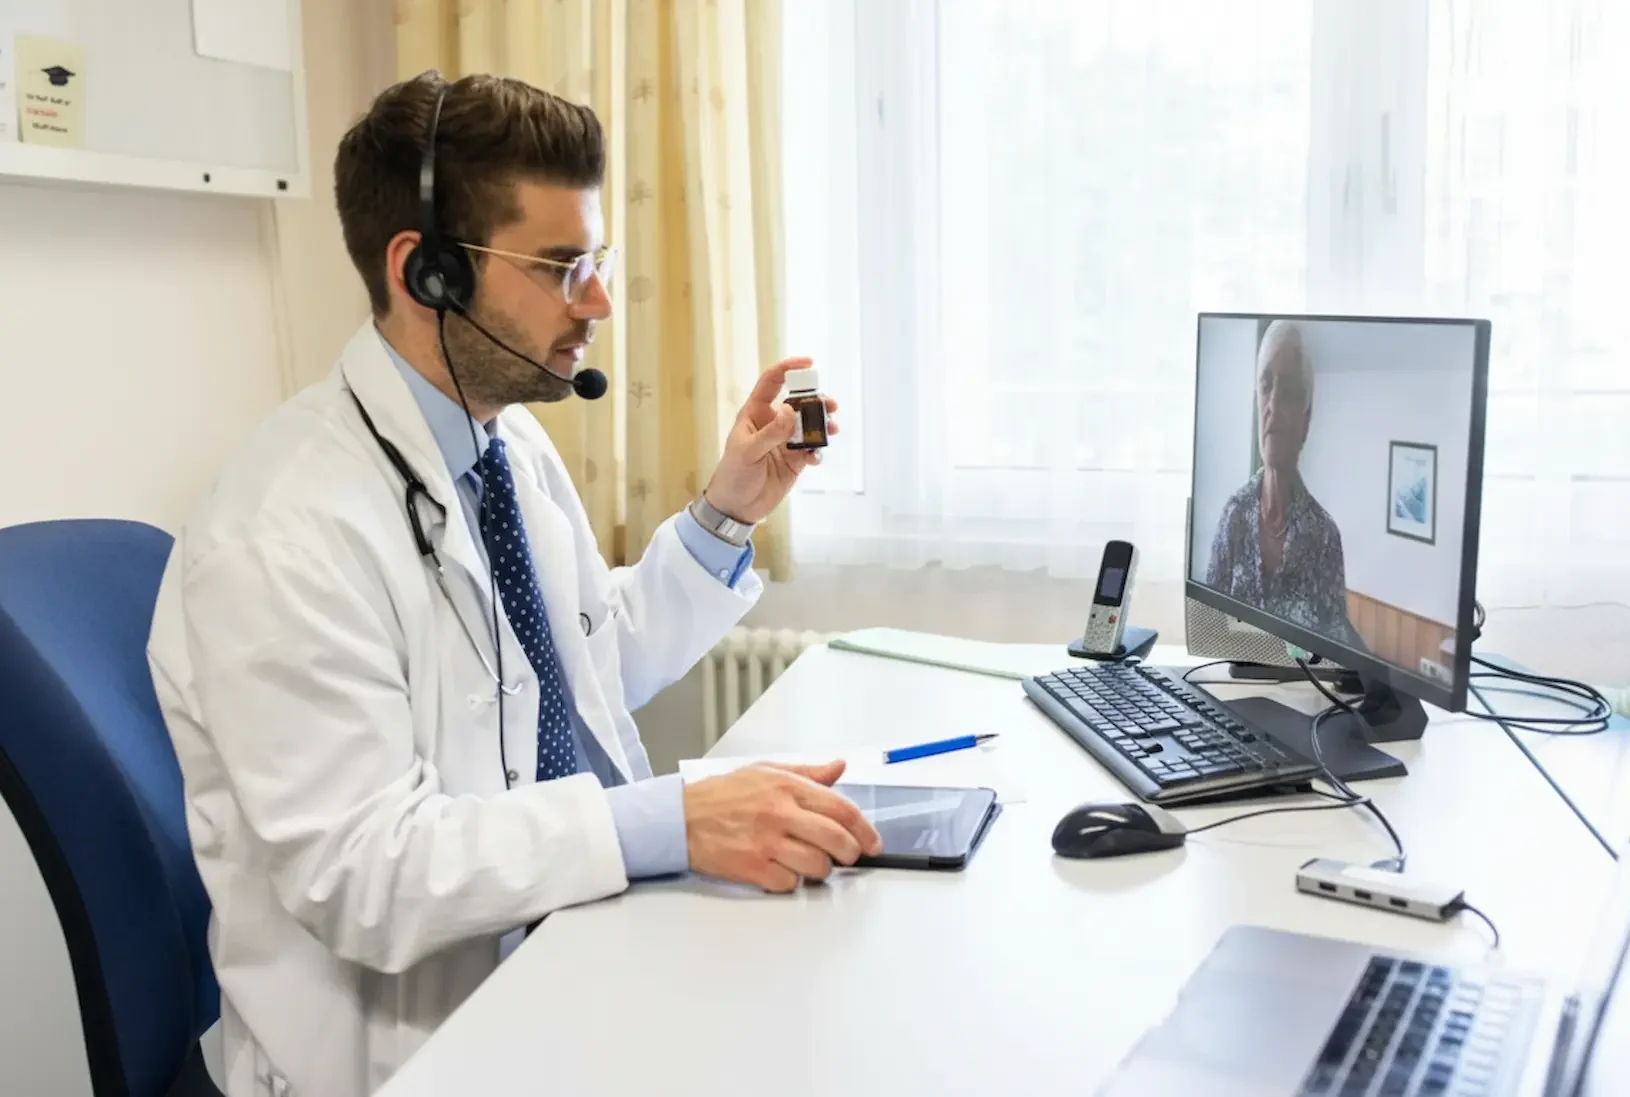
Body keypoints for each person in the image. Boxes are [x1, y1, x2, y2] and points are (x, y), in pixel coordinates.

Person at [146, 72, 882, 1097]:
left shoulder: (504, 447)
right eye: (560, 266)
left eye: (597, 260)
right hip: (411, 1049)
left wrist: (726, 512)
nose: (601, 303)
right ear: (426, 273)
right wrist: (673, 818)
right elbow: (369, 872)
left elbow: (587, 664)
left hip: (560, 962)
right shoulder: (283, 532)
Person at [1204, 319, 1357, 644]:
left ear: (1306, 416)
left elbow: (1335, 654)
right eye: (1265, 385)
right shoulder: (1234, 514)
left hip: (1301, 690)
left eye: (1287, 390)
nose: (1272, 405)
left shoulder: (1324, 536)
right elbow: (1208, 630)